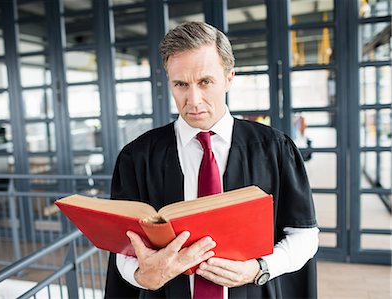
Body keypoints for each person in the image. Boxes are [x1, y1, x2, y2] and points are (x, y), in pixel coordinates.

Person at [105, 21, 319, 299]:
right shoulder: (137, 156)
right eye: (180, 84)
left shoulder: (275, 148)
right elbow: (123, 247)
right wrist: (140, 275)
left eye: (205, 82)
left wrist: (258, 268)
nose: (193, 100)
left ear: (229, 78)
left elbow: (304, 236)